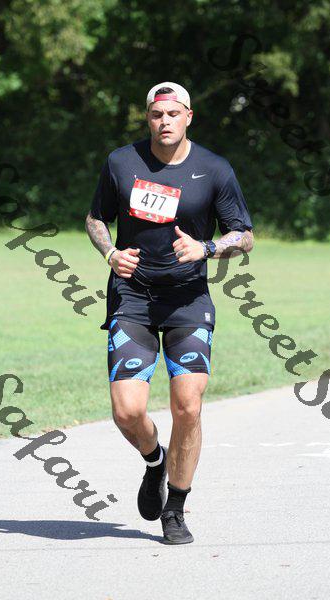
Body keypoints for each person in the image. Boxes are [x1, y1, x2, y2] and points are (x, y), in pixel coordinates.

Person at [85, 81, 254, 545]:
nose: (165, 121)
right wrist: (110, 254)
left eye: (173, 113)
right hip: (132, 298)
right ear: (148, 118)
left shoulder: (214, 169)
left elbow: (244, 234)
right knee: (127, 411)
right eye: (157, 114)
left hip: (188, 302)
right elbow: (96, 218)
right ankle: (154, 461)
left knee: (188, 406)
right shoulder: (121, 162)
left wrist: (207, 248)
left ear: (188, 116)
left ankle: (175, 509)